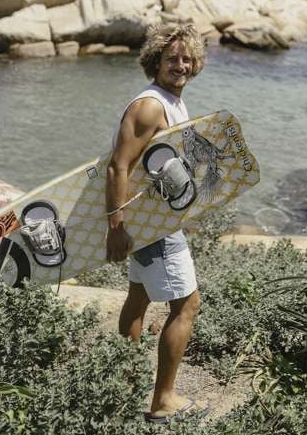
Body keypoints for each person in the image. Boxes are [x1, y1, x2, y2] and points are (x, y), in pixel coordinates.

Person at [106, 23, 206, 423]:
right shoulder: (149, 106)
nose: (180, 65)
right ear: (155, 62)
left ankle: (122, 385)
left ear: (195, 62)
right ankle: (163, 400)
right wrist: (117, 227)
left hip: (153, 220)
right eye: (171, 59)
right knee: (186, 304)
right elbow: (118, 166)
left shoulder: (171, 101)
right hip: (150, 228)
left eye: (186, 58)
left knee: (139, 298)